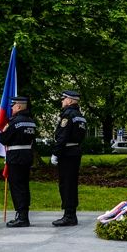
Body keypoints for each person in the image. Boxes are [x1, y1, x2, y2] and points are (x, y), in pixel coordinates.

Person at [0, 96, 37, 228]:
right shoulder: (31, 121)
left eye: (13, 106)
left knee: (16, 186)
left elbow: (3, 138)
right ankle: (24, 214)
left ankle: (21, 217)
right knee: (24, 186)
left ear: (19, 106)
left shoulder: (14, 122)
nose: (11, 108)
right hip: (26, 155)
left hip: (16, 156)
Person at [51, 90, 87, 227]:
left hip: (66, 153)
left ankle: (69, 215)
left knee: (66, 184)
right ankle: (71, 213)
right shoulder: (80, 116)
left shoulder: (68, 115)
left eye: (64, 99)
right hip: (75, 151)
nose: (62, 101)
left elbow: (62, 136)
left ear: (70, 101)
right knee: (71, 184)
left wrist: (56, 153)